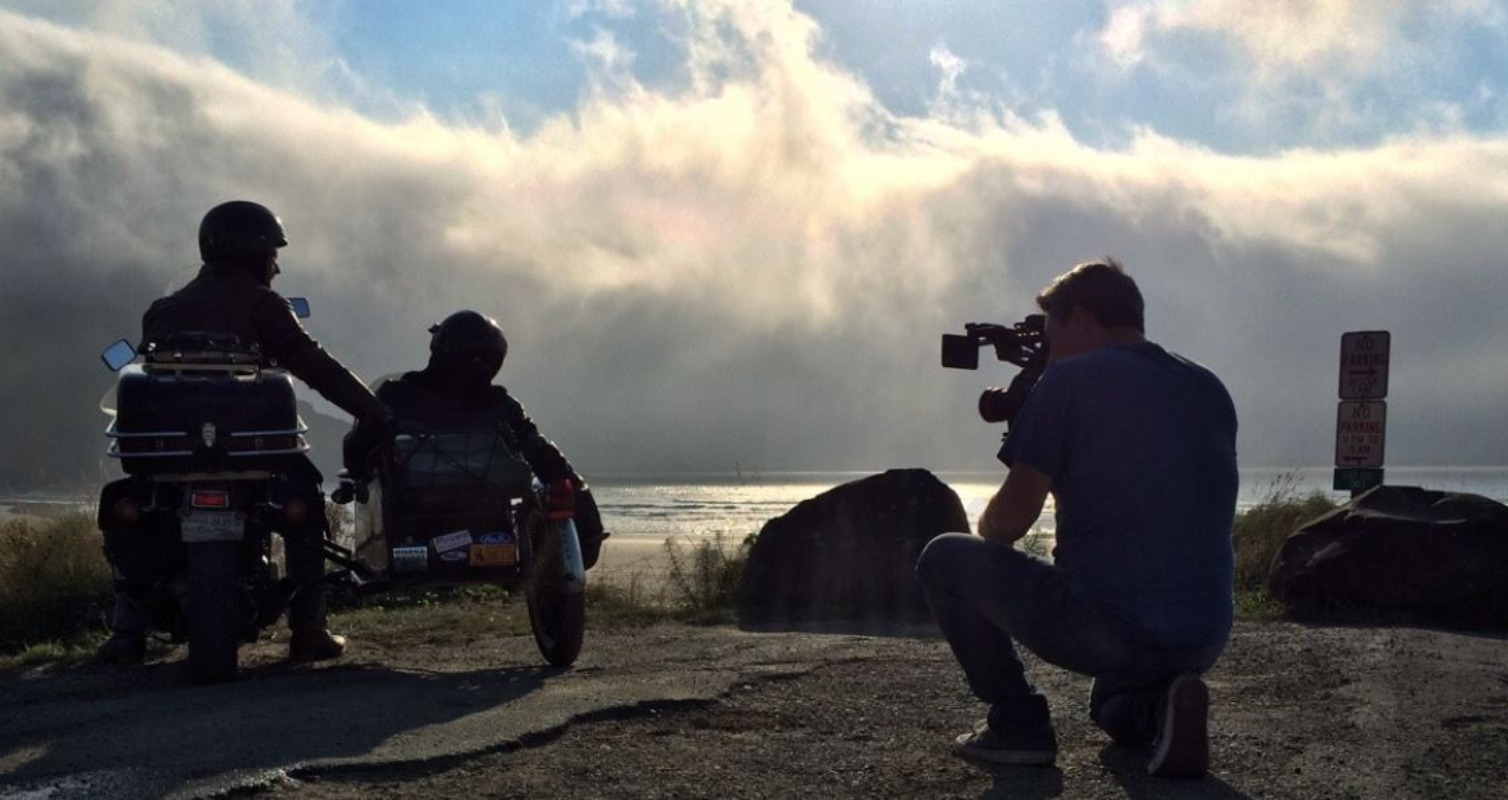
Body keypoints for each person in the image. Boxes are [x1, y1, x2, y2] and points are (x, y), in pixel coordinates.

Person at [915, 259, 1237, 778]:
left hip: (1111, 629)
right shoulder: (1208, 387)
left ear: (1081, 319)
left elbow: (1007, 525)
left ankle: (1016, 723)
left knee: (944, 557)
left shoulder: (1069, 379)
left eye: (1052, 334)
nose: (1048, 352)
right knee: (1108, 701)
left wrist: (988, 536)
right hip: (1201, 636)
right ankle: (1161, 712)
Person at [95, 200, 394, 665]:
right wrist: (375, 412)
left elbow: (142, 364)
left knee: (127, 507)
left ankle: (126, 632)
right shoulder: (264, 305)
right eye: (272, 253)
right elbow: (313, 364)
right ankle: (309, 630)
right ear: (253, 253)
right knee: (303, 507)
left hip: (172, 455)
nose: (277, 265)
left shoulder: (164, 310)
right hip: (255, 452)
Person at [345, 310, 606, 567]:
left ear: (439, 348)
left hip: (409, 519)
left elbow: (356, 457)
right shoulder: (503, 407)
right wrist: (581, 510)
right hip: (487, 517)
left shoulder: (395, 397)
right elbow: (545, 458)